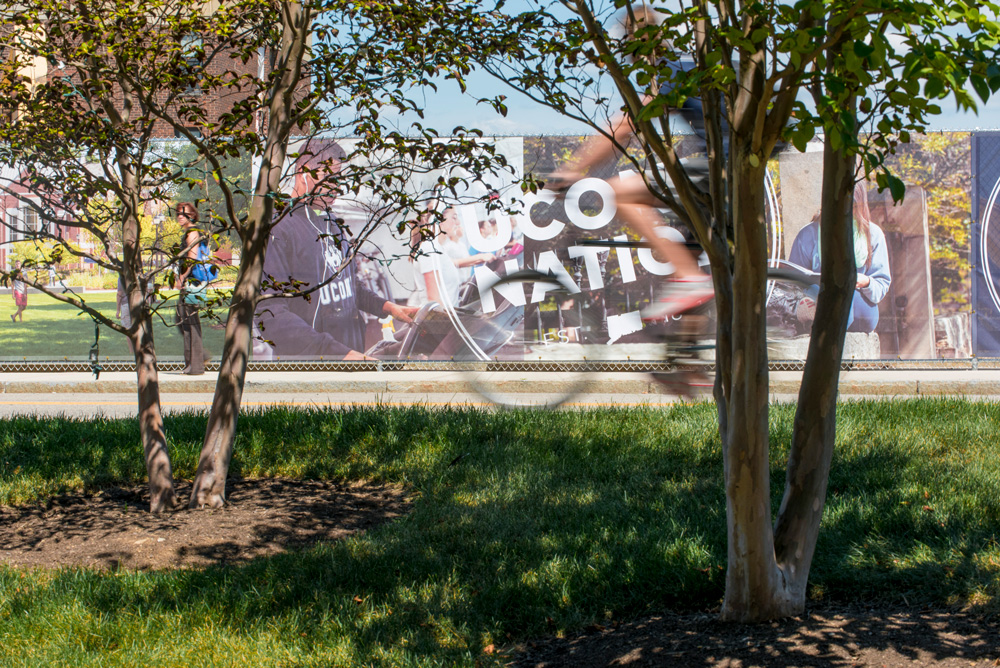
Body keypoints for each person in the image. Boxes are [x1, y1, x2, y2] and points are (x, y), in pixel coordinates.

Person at [547, 6, 714, 321]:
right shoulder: (690, 67)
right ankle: (687, 362)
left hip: (721, 171)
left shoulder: (673, 72)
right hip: (732, 171)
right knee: (692, 274)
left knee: (620, 192)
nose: (626, 54)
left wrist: (573, 168)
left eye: (627, 43)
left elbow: (627, 124)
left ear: (645, 41)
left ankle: (690, 279)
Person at [254, 141, 418, 359]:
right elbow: (271, 314)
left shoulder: (332, 223)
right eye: (330, 178)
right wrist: (336, 354)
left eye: (338, 179)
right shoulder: (278, 228)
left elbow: (349, 285)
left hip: (349, 358)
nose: (336, 188)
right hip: (311, 368)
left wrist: (388, 307)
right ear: (303, 173)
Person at [788, 182, 891, 333]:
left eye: (852, 205)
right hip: (819, 302)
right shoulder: (808, 234)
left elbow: (882, 283)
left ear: (860, 205)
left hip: (860, 307)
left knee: (845, 304)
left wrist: (865, 281)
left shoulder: (873, 234)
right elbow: (793, 283)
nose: (845, 210)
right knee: (835, 303)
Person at [420, 207, 495, 307]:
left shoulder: (438, 249)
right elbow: (434, 300)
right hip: (442, 319)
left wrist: (481, 257)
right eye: (454, 218)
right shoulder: (430, 249)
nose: (458, 222)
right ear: (439, 221)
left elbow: (454, 263)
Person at [174, 202, 212, 374]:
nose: (180, 216)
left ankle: (195, 365)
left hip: (192, 283)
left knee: (190, 322)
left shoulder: (192, 233)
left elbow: (191, 257)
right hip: (190, 282)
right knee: (182, 320)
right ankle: (196, 359)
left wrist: (181, 278)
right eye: (178, 214)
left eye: (184, 214)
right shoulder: (190, 232)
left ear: (192, 216)